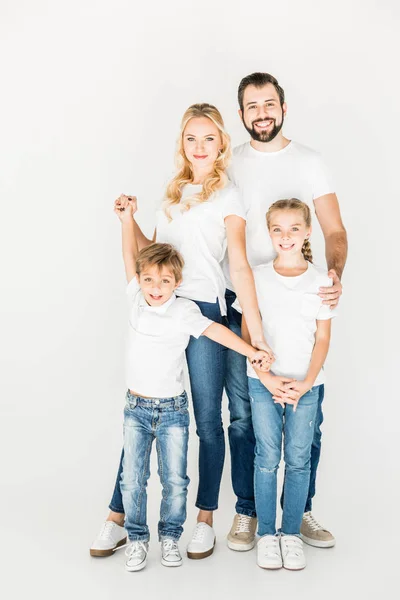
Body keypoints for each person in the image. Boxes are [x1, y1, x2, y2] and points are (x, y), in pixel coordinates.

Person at [90, 103, 273, 560]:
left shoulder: (228, 196)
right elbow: (155, 254)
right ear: (182, 144)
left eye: (209, 138)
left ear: (221, 143)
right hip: (164, 303)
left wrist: (256, 336)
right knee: (145, 402)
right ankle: (117, 517)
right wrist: (127, 219)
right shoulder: (173, 194)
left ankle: (205, 518)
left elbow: (240, 263)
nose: (200, 146)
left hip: (205, 309)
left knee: (209, 420)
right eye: (191, 138)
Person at [111, 198, 270, 571]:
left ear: (176, 283)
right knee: (134, 478)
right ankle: (134, 536)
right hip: (135, 406)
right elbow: (131, 257)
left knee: (175, 480)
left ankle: (173, 535)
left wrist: (251, 350)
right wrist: (125, 220)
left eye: (165, 281)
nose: (155, 287)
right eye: (149, 279)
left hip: (172, 410)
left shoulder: (184, 310)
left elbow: (215, 330)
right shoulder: (136, 296)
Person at [224, 72, 348, 547]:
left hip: (300, 302)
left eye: (269, 104)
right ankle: (248, 511)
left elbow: (335, 231)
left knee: (306, 413)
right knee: (243, 415)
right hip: (243, 306)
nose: (261, 113)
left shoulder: (310, 162)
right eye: (252, 106)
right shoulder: (230, 162)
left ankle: (302, 510)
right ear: (241, 116)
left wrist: (334, 275)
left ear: (283, 107)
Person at [240, 199, 337, 570]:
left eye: (294, 228)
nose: (286, 236)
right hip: (263, 382)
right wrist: (267, 377)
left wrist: (306, 382)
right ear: (269, 234)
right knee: (266, 458)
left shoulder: (321, 282)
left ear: (308, 232)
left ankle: (291, 533)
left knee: (298, 460)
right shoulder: (257, 277)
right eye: (277, 229)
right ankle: (267, 533)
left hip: (305, 385)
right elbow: (249, 332)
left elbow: (323, 339)